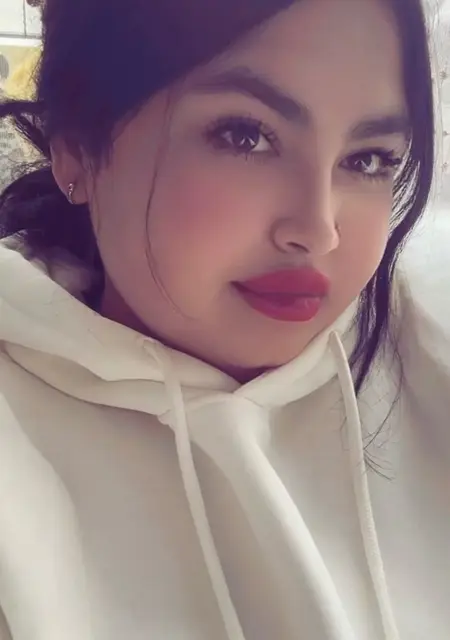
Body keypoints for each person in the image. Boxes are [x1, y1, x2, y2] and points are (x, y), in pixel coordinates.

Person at [0, 0, 447, 638]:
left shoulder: (427, 353)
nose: (318, 229)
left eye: (369, 158)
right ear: (76, 148)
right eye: (245, 136)